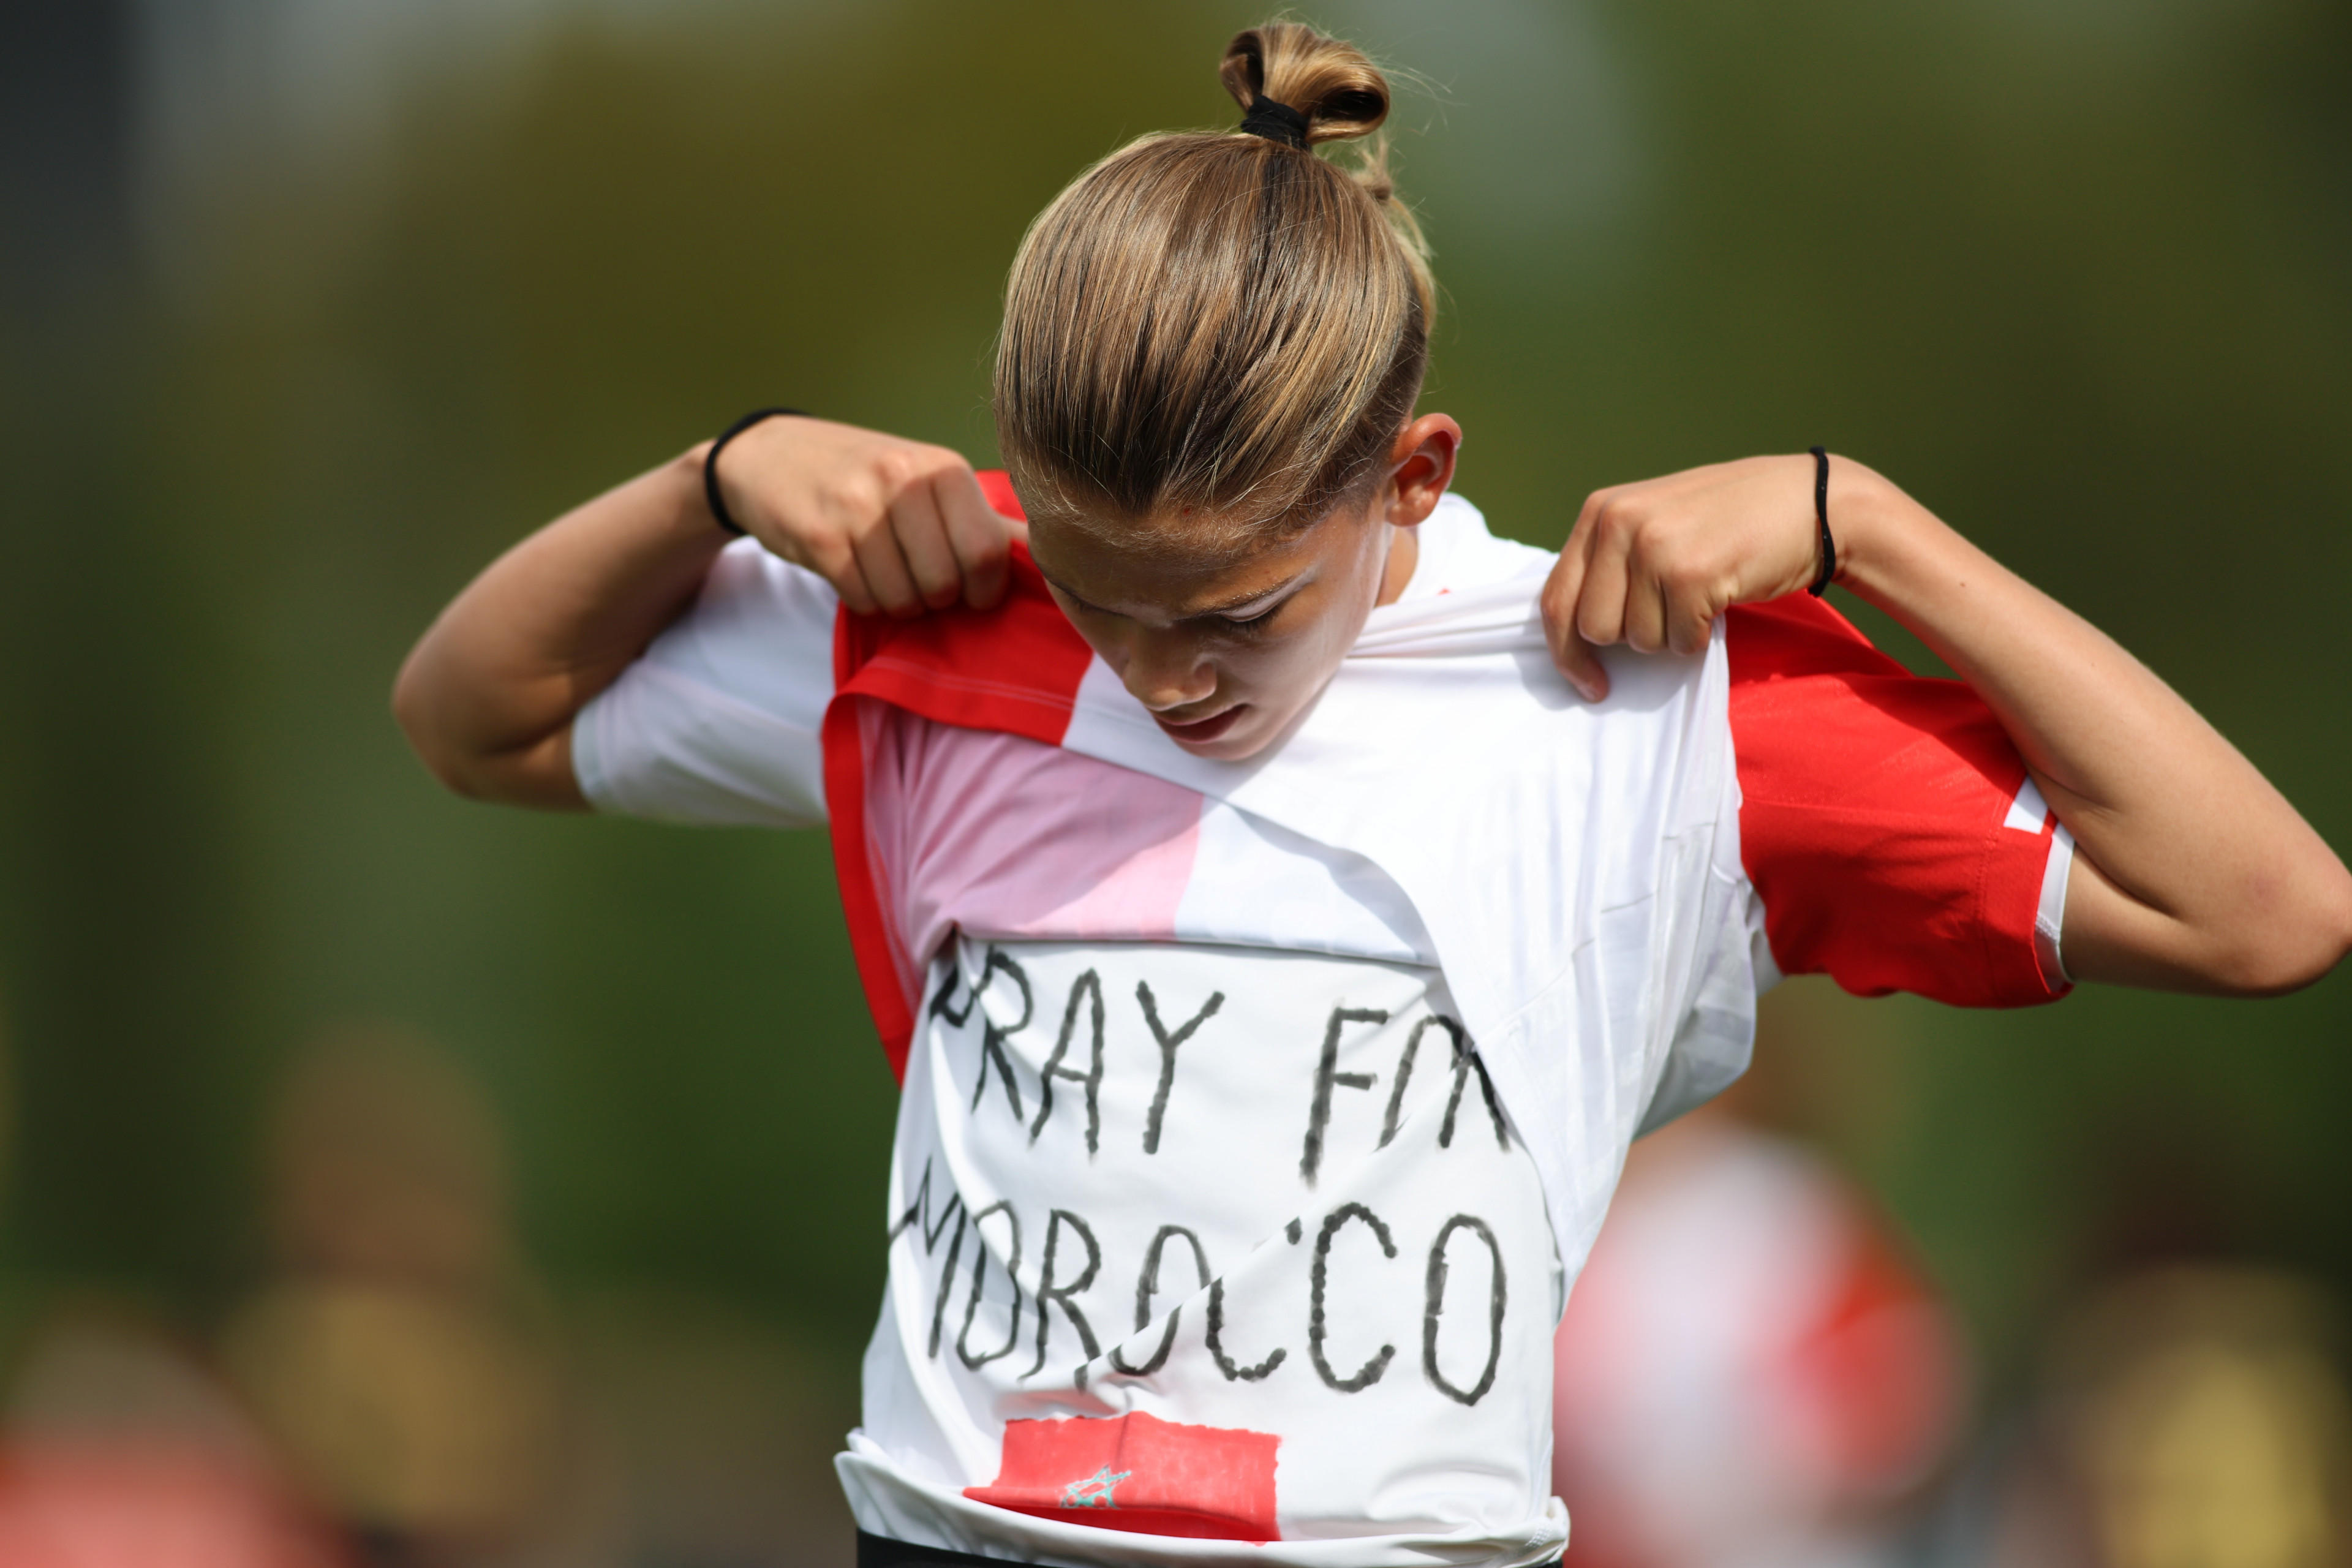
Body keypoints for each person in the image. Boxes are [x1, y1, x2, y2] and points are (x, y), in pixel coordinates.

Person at [390, 22, 2352, 1568]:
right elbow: (475, 716)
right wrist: (714, 476)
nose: (1165, 672)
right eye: (1104, 596)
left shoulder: (1640, 699)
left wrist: (1868, 525)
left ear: (1411, 475)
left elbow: (2269, 912)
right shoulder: (942, 609)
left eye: (1237, 609)